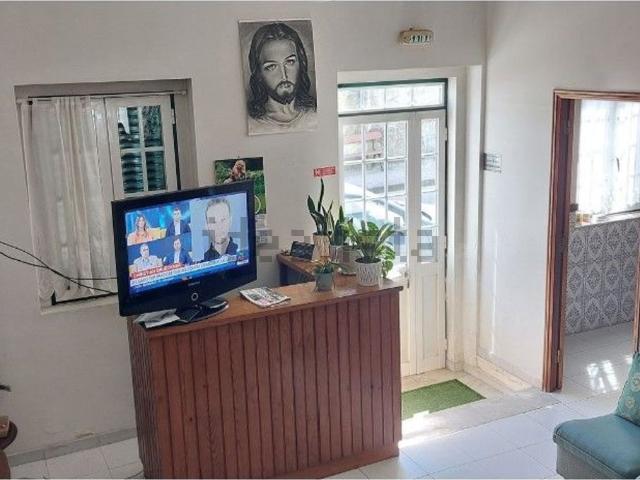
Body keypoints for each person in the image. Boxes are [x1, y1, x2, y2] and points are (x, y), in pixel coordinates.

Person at [246, 22, 317, 131]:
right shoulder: (253, 123)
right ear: (259, 74)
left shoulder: (314, 114)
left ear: (301, 63)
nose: (284, 75)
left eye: (290, 62)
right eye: (271, 67)